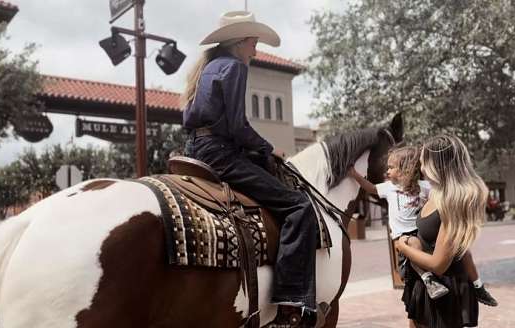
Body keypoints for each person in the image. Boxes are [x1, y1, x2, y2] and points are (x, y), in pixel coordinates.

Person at [181, 11, 318, 327]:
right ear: (242, 41)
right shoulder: (234, 67)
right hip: (220, 153)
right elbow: (237, 126)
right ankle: (290, 301)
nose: (256, 50)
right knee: (298, 206)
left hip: (197, 150)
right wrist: (268, 149)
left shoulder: (207, 69)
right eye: (254, 42)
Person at [349, 146, 497, 306]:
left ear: (405, 169)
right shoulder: (388, 188)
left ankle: (478, 286)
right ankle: (429, 280)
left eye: (391, 167)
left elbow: (440, 195)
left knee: (464, 251)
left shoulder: (424, 187)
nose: (387, 171)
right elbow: (369, 187)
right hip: (402, 235)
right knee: (414, 244)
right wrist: (355, 175)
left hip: (421, 231)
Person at [395, 135, 492, 328]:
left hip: (445, 292)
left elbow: (438, 264)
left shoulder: (451, 205)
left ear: (435, 165)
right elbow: (460, 250)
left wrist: (402, 247)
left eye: (423, 163)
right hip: (426, 287)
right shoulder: (434, 195)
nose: (420, 168)